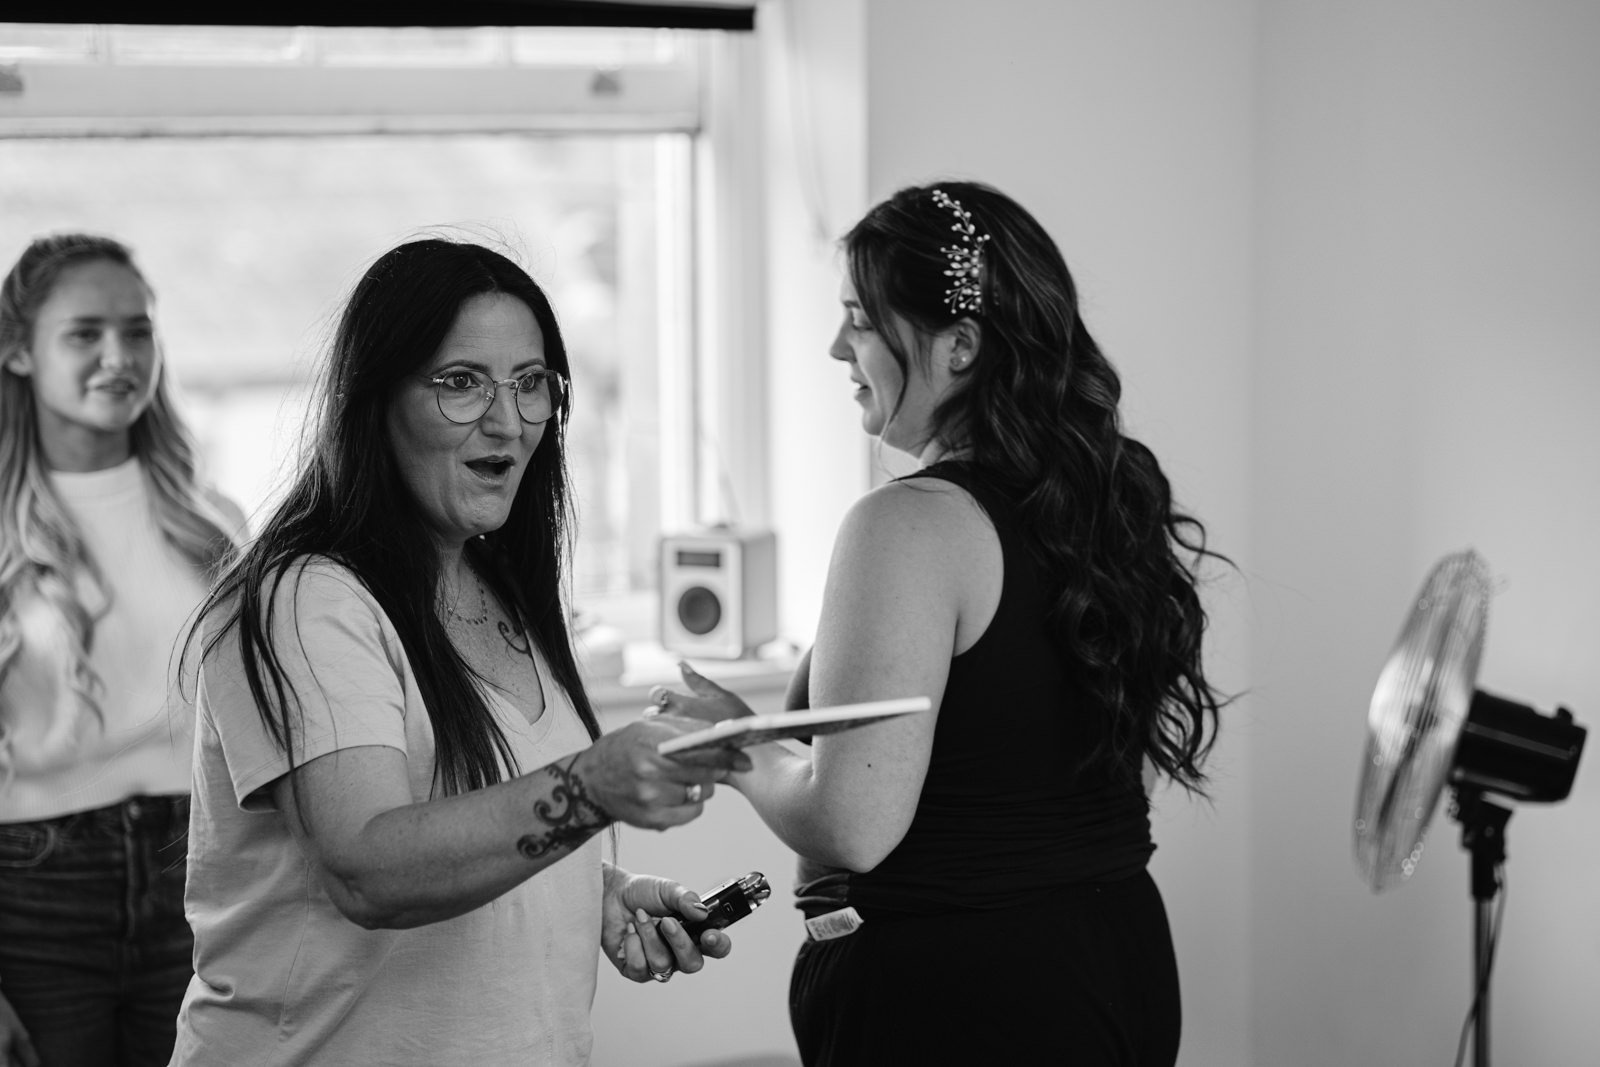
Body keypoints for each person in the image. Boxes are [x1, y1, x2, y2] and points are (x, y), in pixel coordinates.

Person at [651, 182, 1229, 1066]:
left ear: (959, 346)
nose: (836, 347)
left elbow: (852, 823)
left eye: (859, 320)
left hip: (966, 1001)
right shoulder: (1099, 506)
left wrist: (737, 744)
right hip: (1118, 958)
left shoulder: (907, 524)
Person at [170, 237, 749, 1066]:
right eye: (461, 382)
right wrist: (592, 786)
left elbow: (474, 814)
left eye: (530, 383)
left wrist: (594, 893)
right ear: (374, 400)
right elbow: (369, 867)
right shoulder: (306, 599)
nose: (508, 419)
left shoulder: (499, 583)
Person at [0, 234, 247, 1067]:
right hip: (32, 888)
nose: (119, 356)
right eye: (85, 333)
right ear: (17, 351)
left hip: (199, 869)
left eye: (137, 331)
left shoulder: (211, 519)